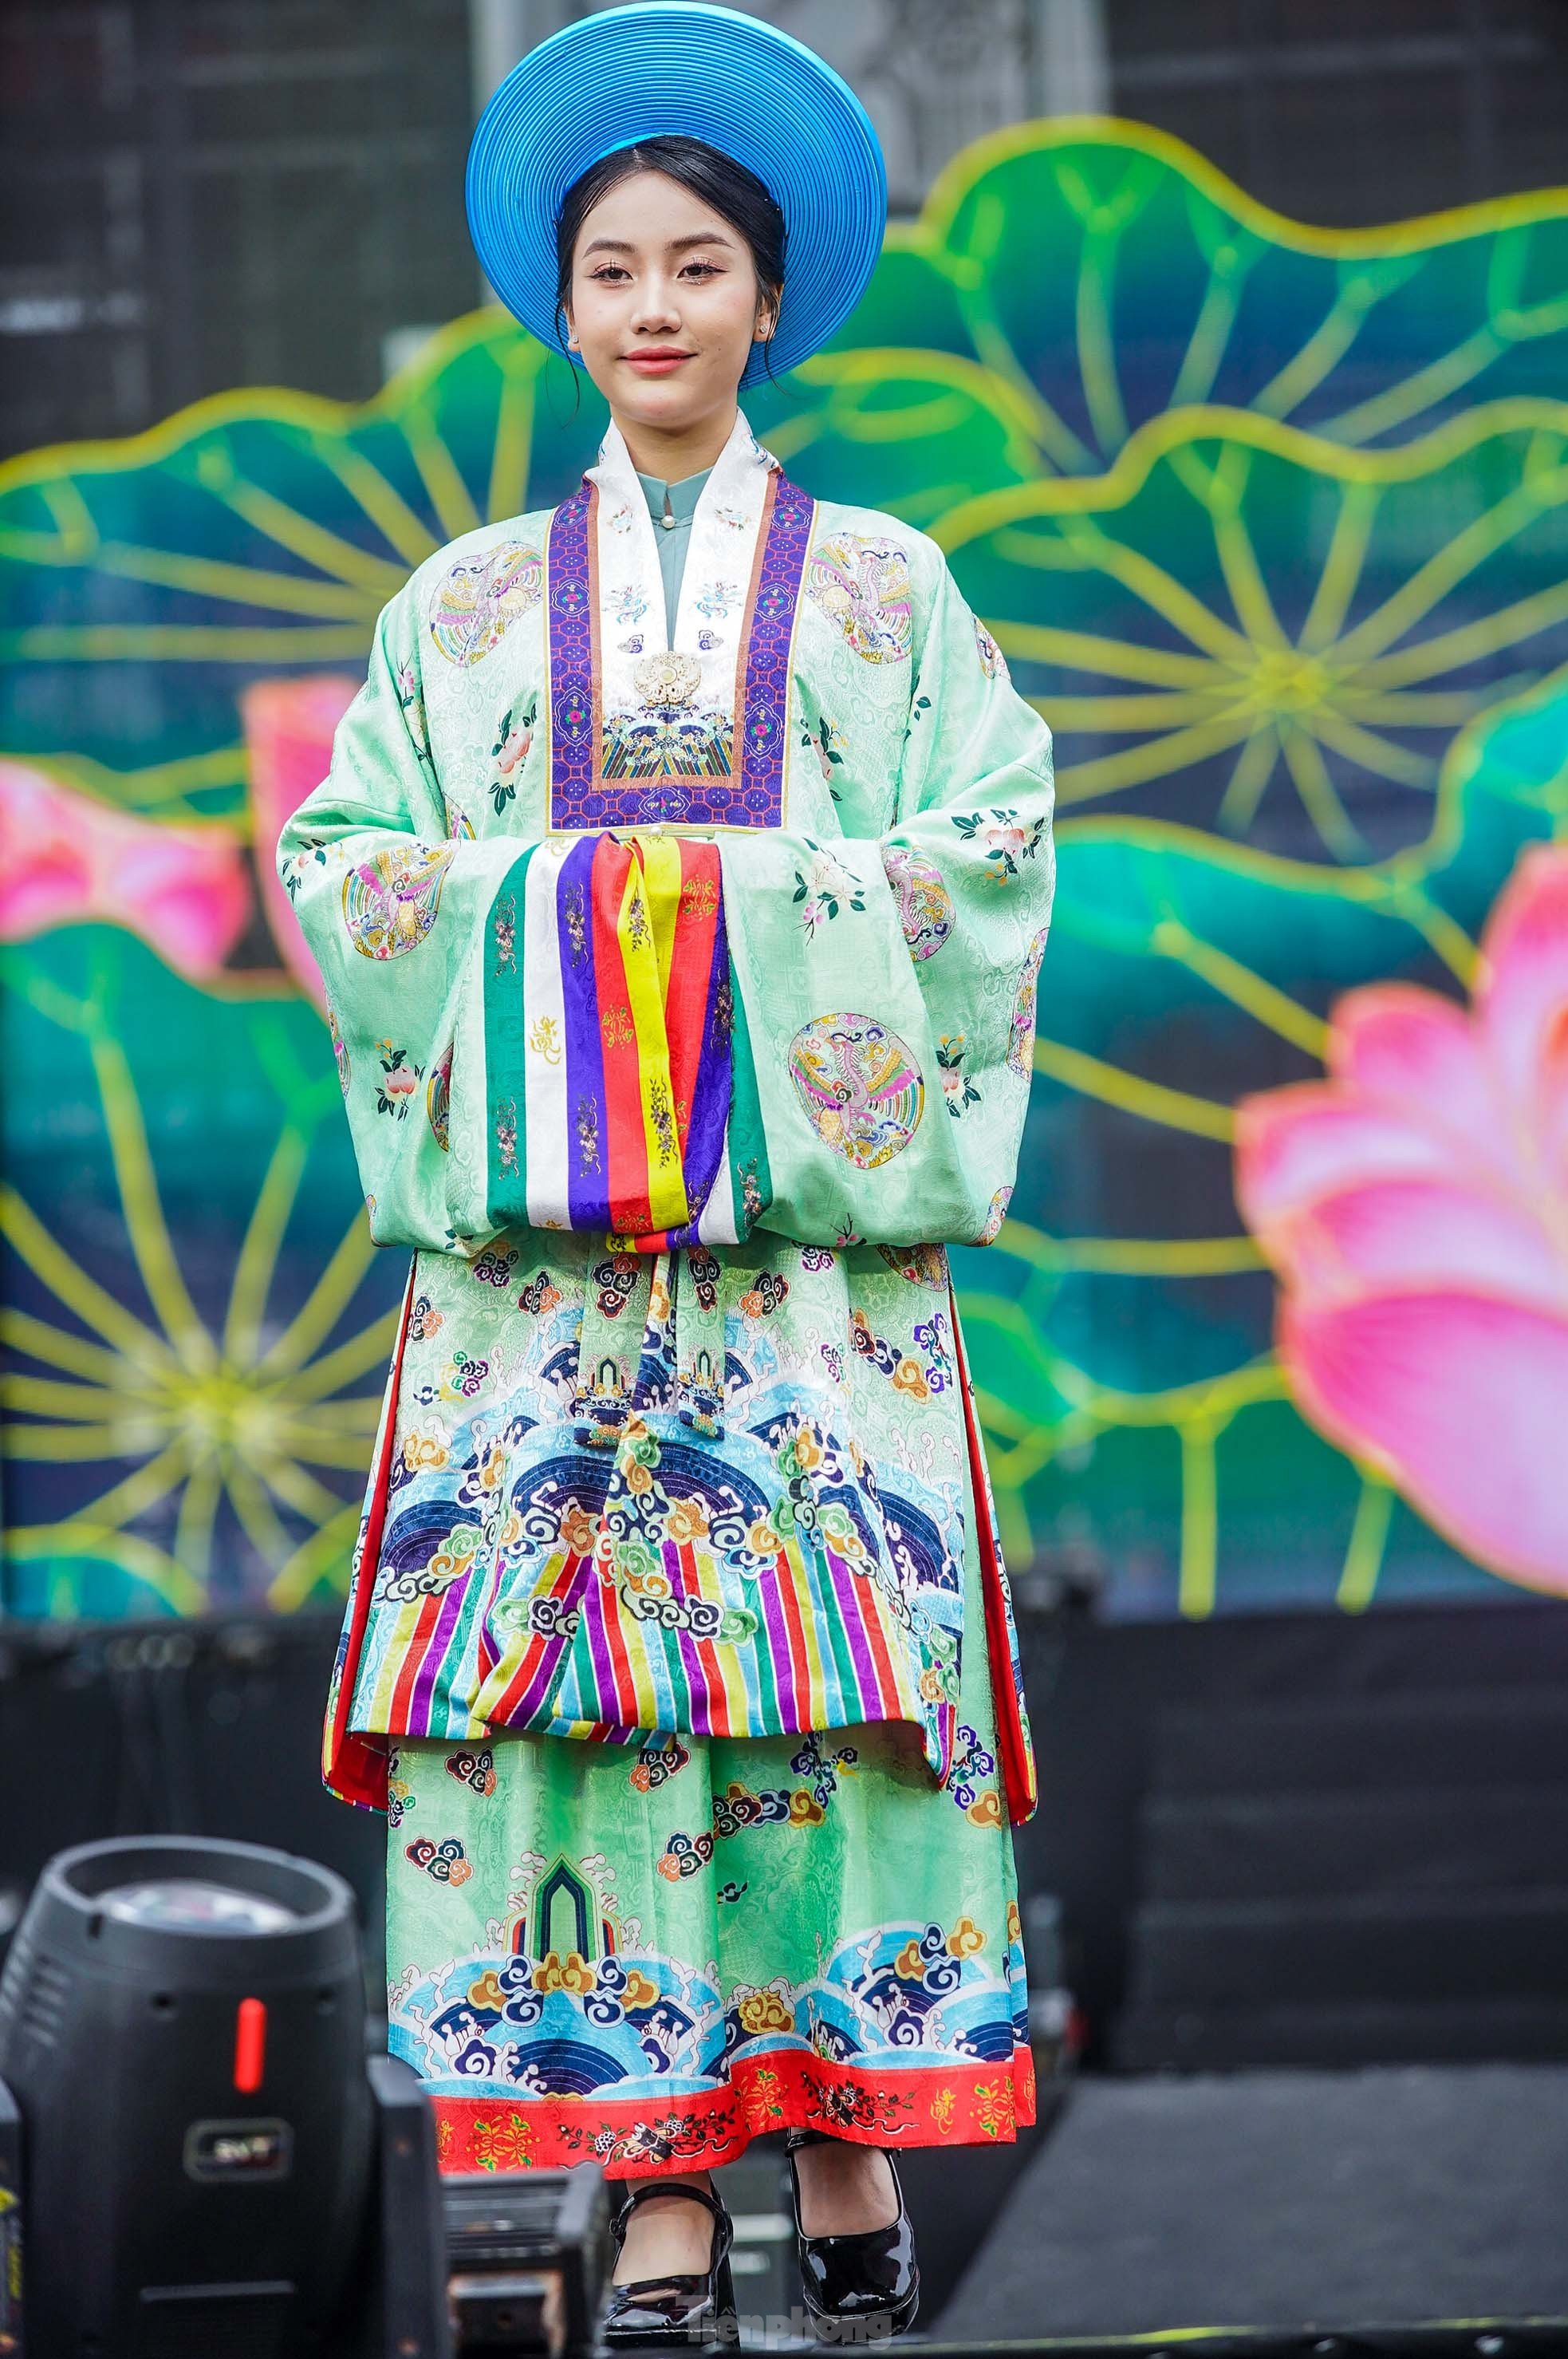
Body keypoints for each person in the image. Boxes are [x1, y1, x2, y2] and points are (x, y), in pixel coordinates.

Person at [277, 4, 1054, 2342]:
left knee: (821, 1682)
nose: (650, 308)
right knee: (587, 1704)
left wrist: (700, 925)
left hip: (805, 1281)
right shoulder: (461, 615)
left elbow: (989, 860)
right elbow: (348, 872)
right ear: (560, 298)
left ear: (767, 295)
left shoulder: (898, 595)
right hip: (549, 1295)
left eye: (695, 266)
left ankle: (835, 2148)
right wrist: (598, 931)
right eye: (612, 267)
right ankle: (662, 2195)